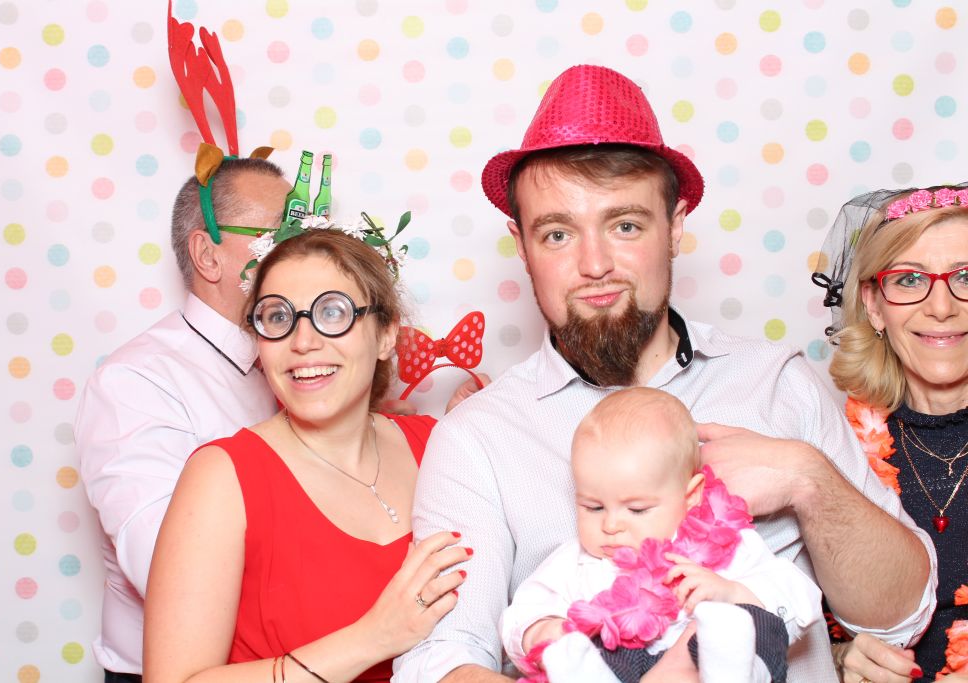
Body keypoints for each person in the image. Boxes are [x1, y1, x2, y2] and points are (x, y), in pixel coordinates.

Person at [393, 64, 937, 682]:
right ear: (521, 245)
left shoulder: (774, 381)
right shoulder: (477, 437)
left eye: (625, 225)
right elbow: (441, 658)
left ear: (675, 227)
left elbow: (900, 618)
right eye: (557, 234)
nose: (594, 264)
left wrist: (806, 478)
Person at [143, 228, 471, 682]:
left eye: (332, 312)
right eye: (278, 317)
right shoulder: (223, 476)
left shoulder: (443, 444)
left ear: (386, 334)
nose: (302, 342)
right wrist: (373, 638)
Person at [75, 157, 288, 682]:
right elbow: (168, 573)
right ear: (207, 255)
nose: (302, 251)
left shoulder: (299, 361)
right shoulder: (135, 383)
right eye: (277, 236)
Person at [501, 388, 821, 683]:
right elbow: (523, 611)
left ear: (691, 495)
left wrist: (730, 592)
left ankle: (732, 670)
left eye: (637, 509)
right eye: (593, 507)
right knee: (599, 645)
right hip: (625, 667)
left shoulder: (725, 545)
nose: (611, 525)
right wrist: (542, 631)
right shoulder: (576, 562)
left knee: (752, 620)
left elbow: (802, 598)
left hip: (716, 660)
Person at [814, 185, 968, 681]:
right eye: (909, 279)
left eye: (966, 276)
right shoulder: (830, 450)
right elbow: (784, 618)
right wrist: (839, 661)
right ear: (875, 306)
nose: (941, 307)